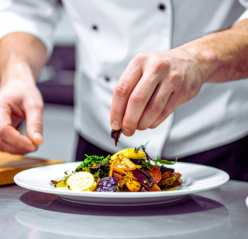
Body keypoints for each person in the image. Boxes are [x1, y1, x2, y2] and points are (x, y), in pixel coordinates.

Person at [0, 0, 248, 181]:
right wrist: (16, 71)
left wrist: (198, 59)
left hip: (220, 135)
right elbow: (25, 9)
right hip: (99, 139)